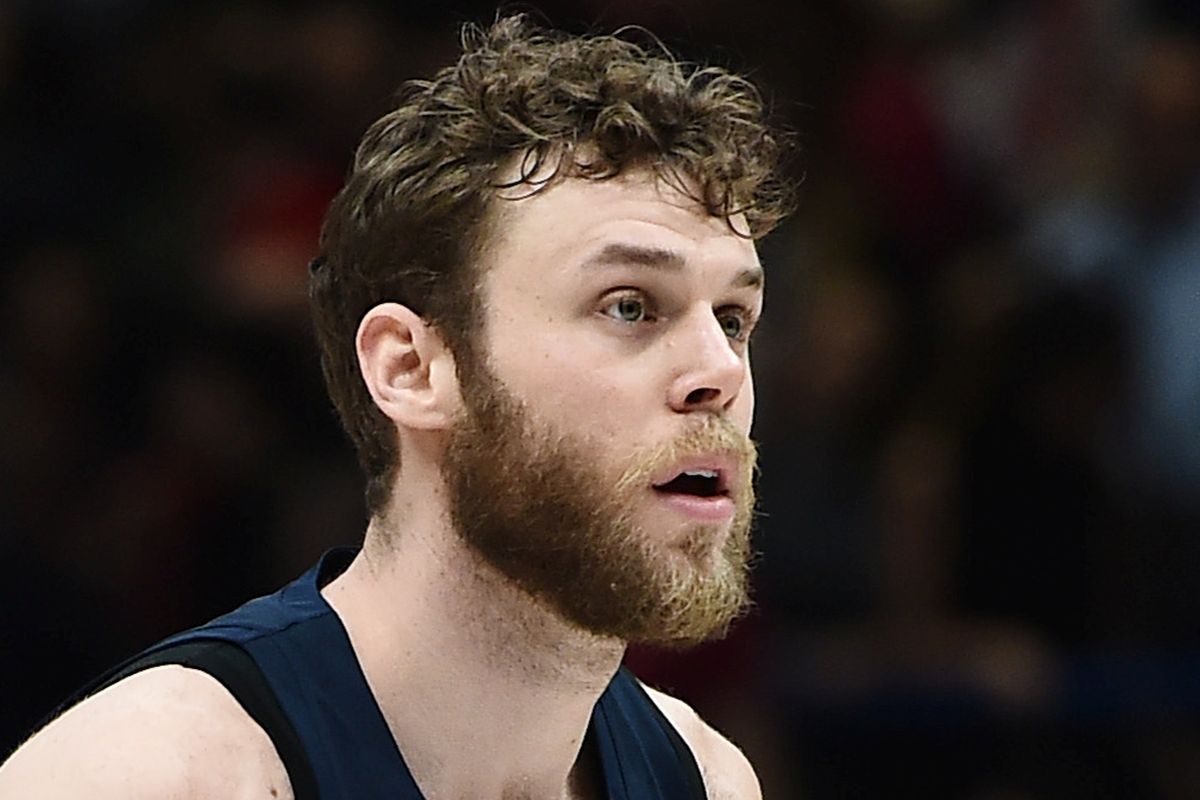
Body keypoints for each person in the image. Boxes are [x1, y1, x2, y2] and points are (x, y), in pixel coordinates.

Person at [0, 14, 791, 800]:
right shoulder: (155, 775)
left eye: (732, 319)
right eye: (629, 306)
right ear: (410, 368)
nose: (720, 371)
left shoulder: (709, 780)